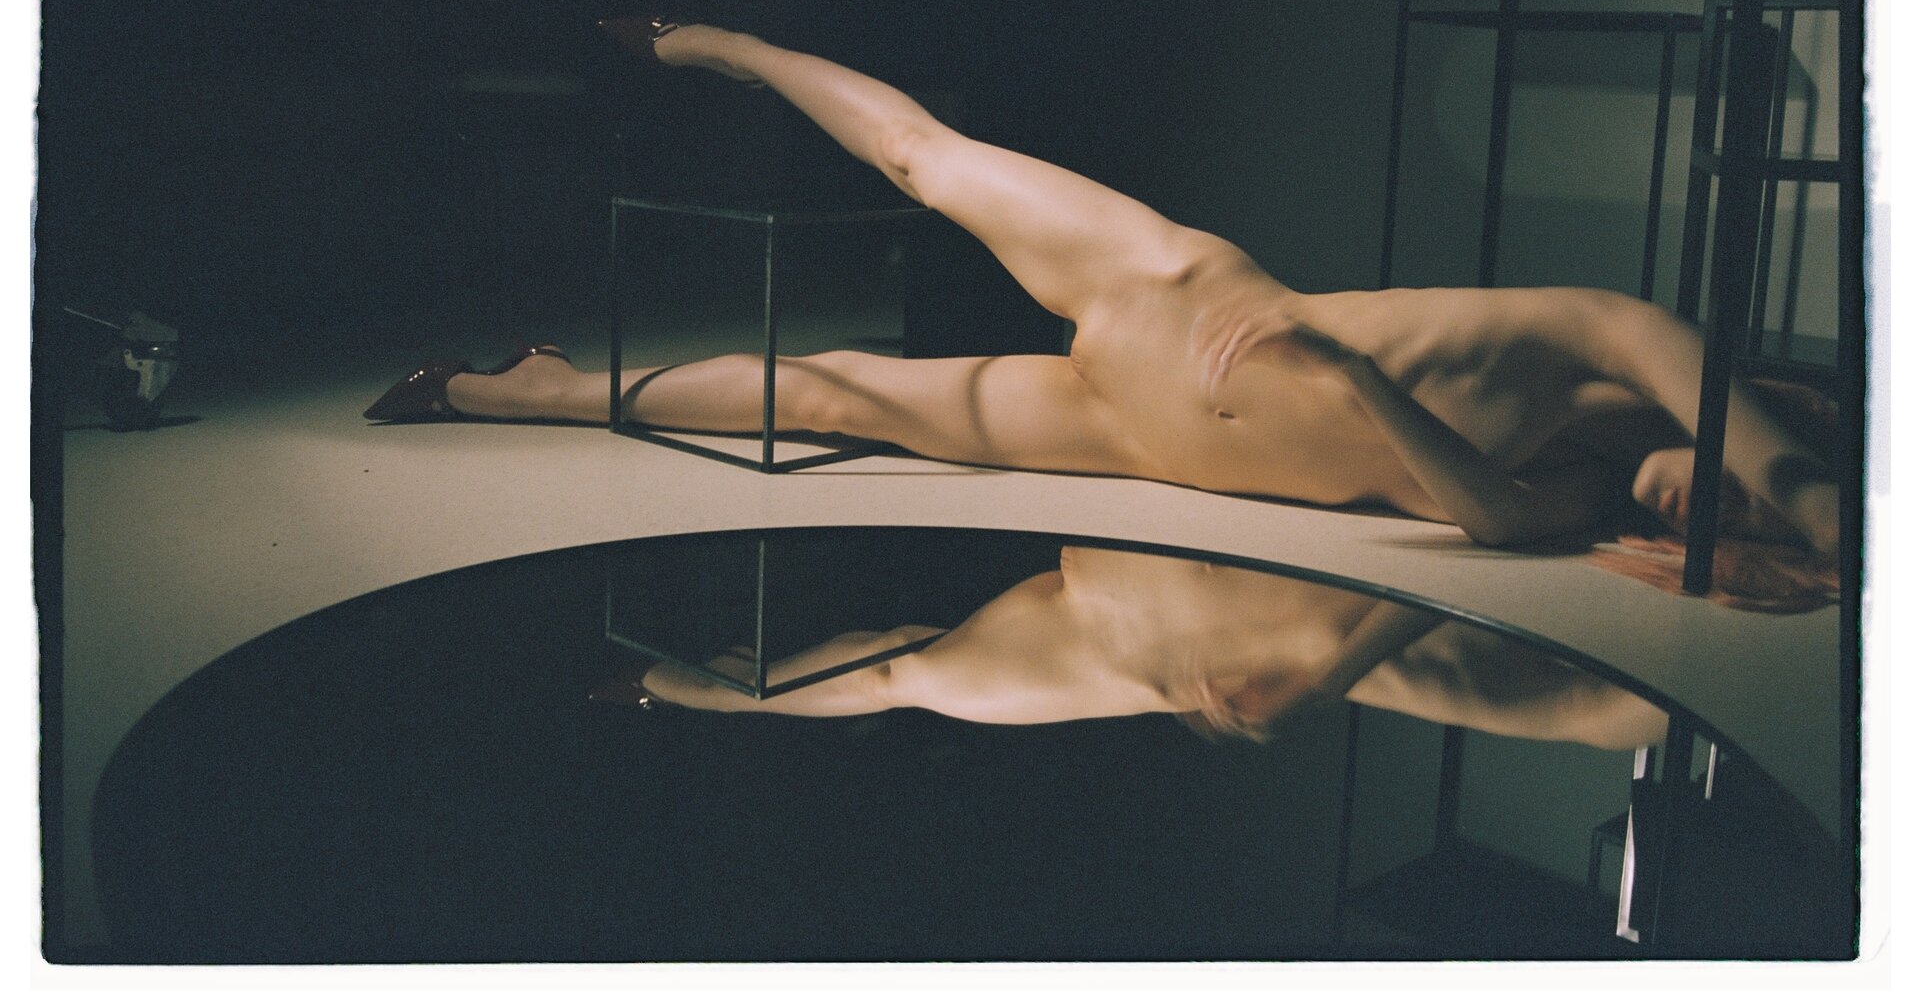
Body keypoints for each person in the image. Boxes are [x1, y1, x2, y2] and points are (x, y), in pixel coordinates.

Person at [365, 18, 1840, 558]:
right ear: (1749, 439)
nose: (1693, 510)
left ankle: (538, 391)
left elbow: (1491, 521)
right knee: (928, 162)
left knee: (837, 401)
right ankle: (722, 46)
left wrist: (1359, 384)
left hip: (1155, 441)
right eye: (1731, 496)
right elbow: (1813, 491)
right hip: (1174, 299)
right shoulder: (1631, 340)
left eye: (1712, 536)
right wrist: (1821, 516)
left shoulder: (1573, 499)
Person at [600, 544, 1668, 752]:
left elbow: (1590, 713)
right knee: (899, 664)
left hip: (1120, 638)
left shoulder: (1471, 666)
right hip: (1128, 591)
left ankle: (693, 688)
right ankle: (696, 687)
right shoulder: (1568, 542)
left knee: (901, 667)